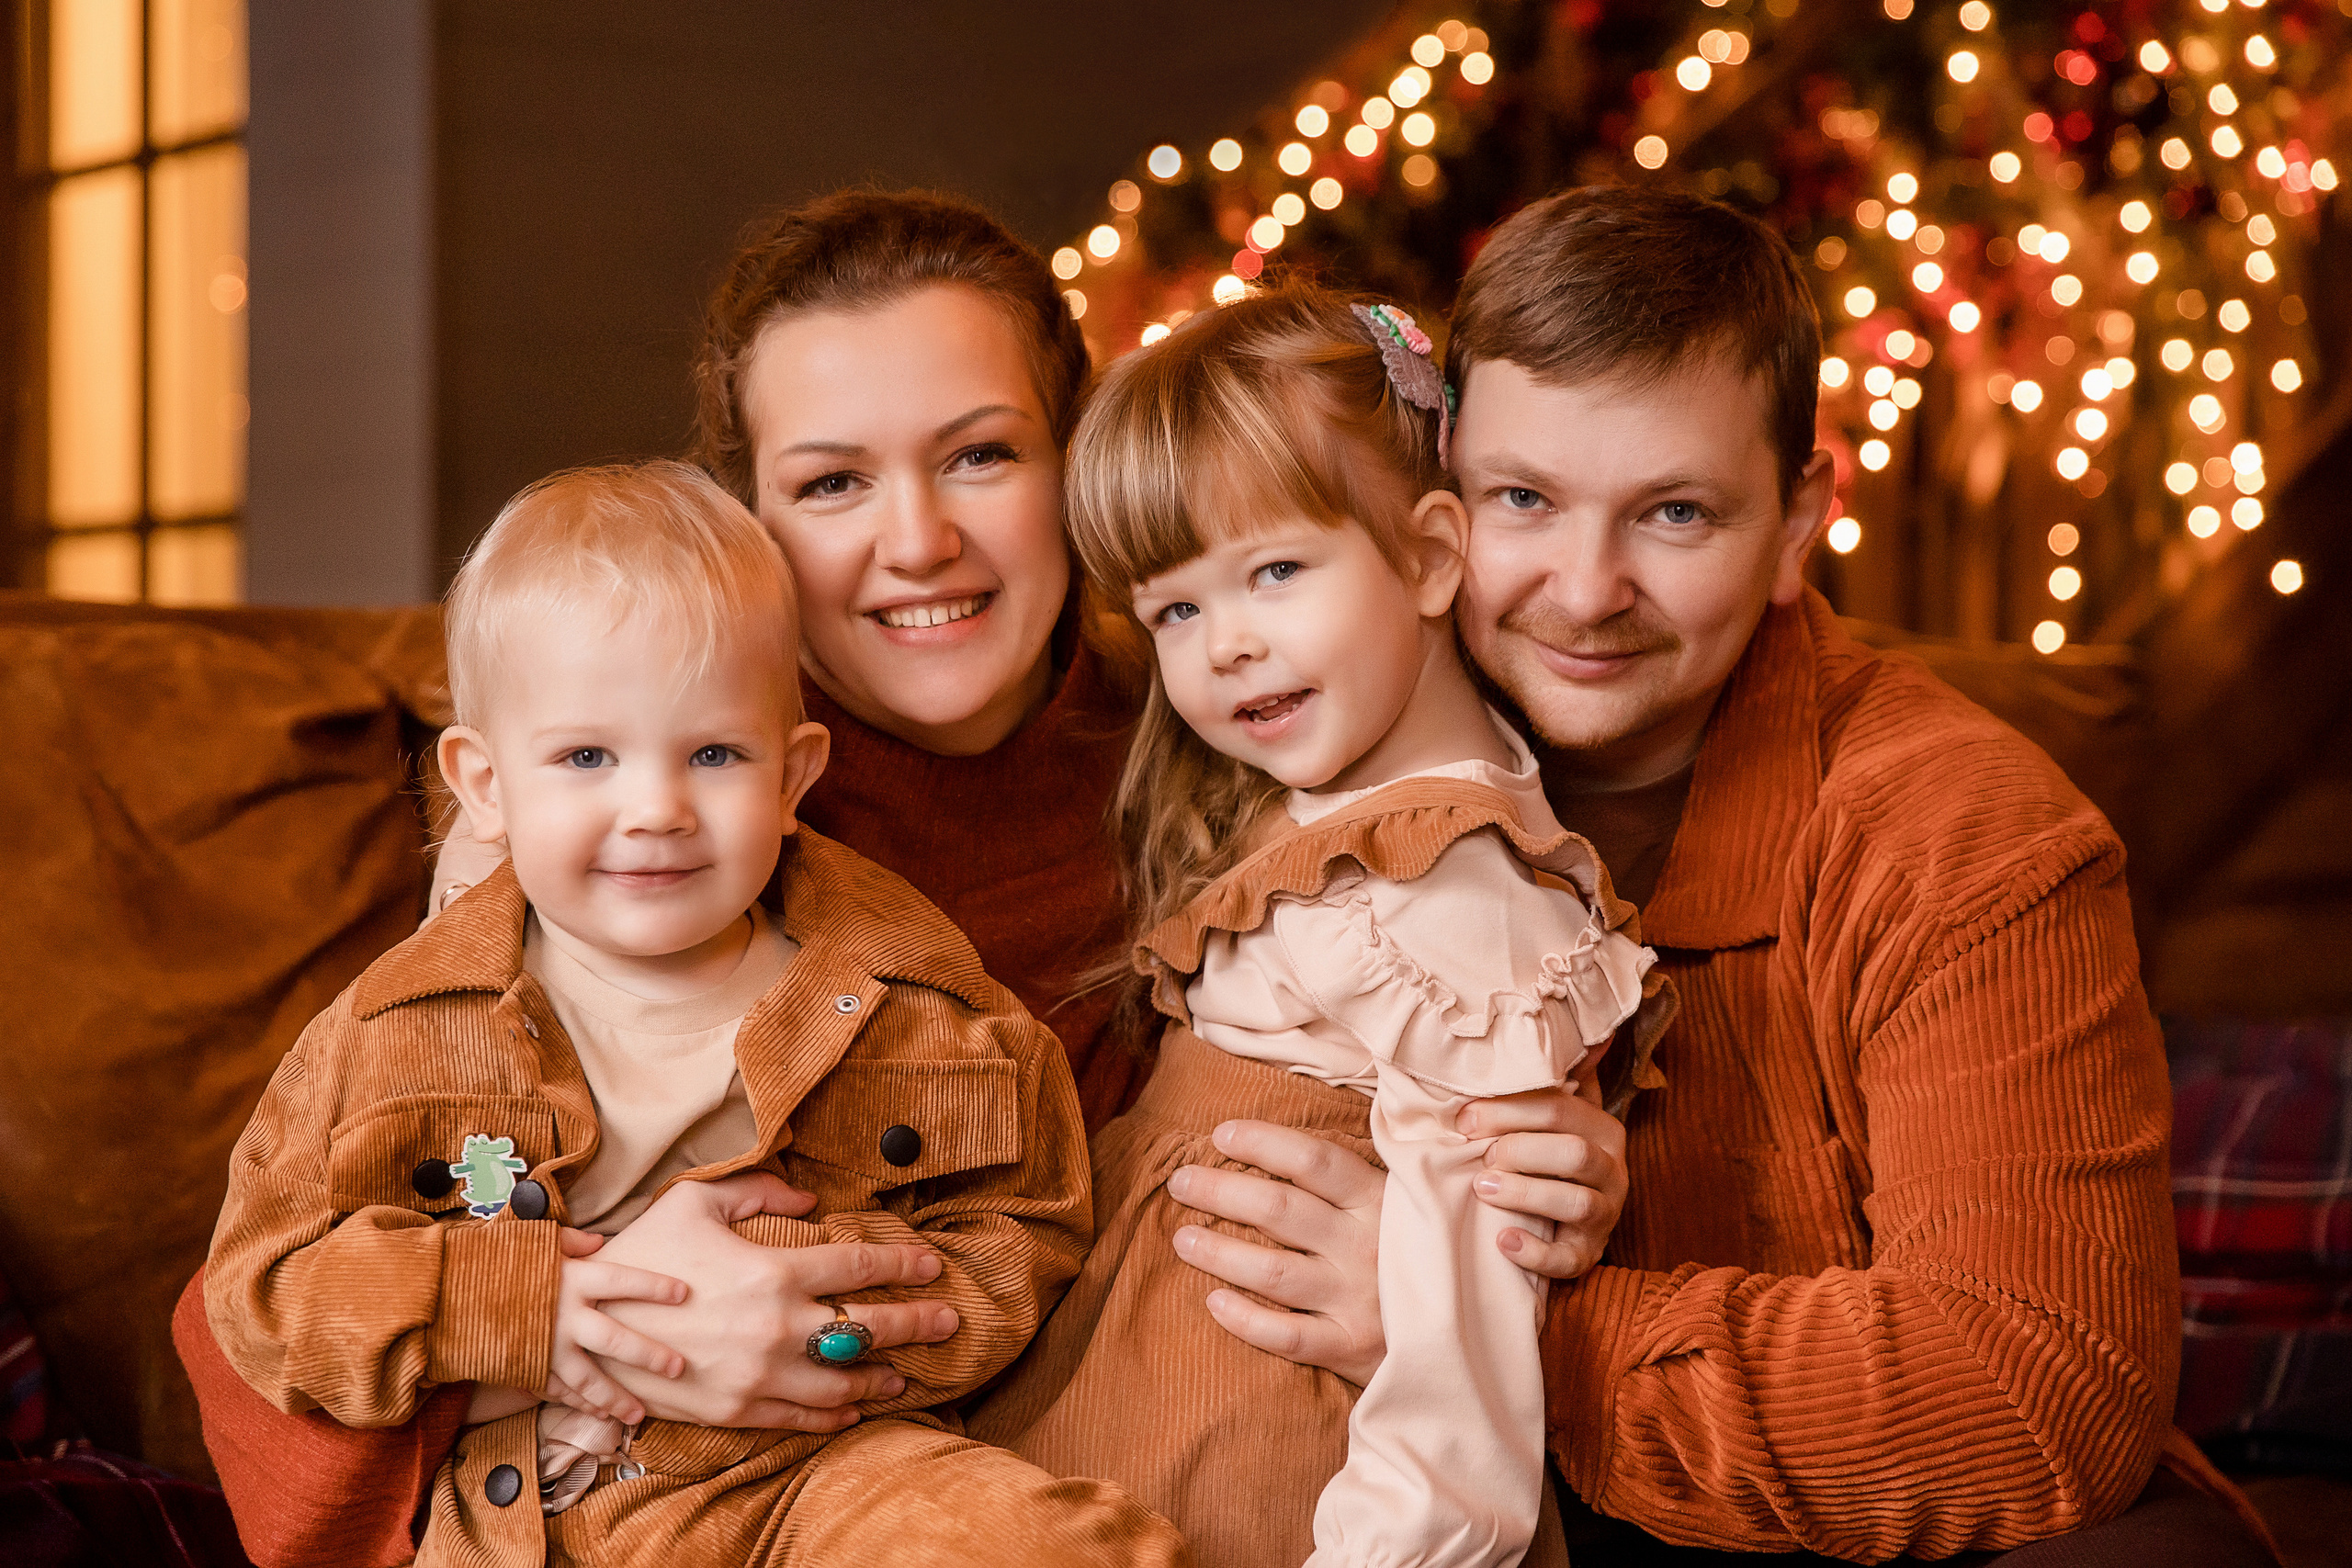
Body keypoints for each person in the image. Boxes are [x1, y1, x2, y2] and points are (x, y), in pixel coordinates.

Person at [173, 189, 1611, 1567]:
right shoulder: (616, 839)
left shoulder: (1264, 735)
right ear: (753, 523)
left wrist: (1519, 1220)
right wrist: (597, 1311)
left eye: (982, 454)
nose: (918, 539)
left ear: (1079, 466)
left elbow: (1465, 1009)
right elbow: (279, 1301)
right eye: (833, 482)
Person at [1160, 186, 2278, 1564]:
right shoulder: (1294, 721)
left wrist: (1468, 1314)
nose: (1583, 589)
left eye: (1674, 513)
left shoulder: (1964, 831)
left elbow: (2035, 1392)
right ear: (1439, 513)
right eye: (1524, 498)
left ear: (1801, 516)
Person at [203, 460, 1188, 1568]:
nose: (657, 809)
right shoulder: (394, 1030)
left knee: (1034, 1548)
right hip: (529, 1505)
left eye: (713, 754)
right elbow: (267, 1289)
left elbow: (1029, 1226)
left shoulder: (918, 1005)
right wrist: (531, 1307)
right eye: (586, 757)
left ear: (793, 773)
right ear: (484, 785)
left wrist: (823, 1305)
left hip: (818, 1469)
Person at [969, 286, 1674, 1568]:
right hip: (1149, 1407)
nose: (1225, 646)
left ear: (1427, 555)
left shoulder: (1451, 879)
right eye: (1175, 608)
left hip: (1278, 1471)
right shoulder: (1339, 812)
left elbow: (1467, 1324)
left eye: (1275, 570)